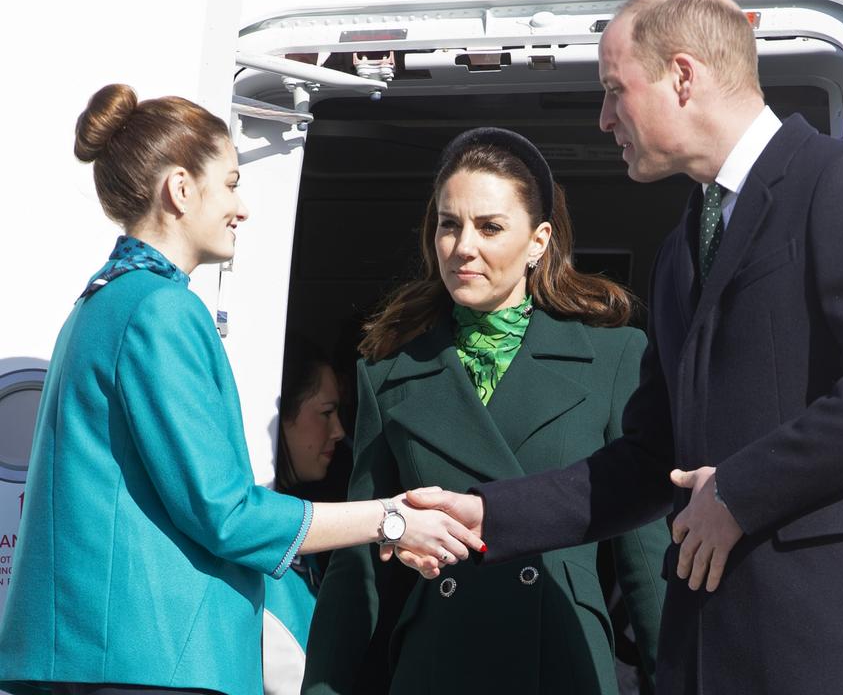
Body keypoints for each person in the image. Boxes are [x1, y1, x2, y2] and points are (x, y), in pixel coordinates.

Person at [401, 0, 843, 695]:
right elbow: (648, 459)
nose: (604, 115)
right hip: (720, 654)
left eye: (615, 90)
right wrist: (491, 512)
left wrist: (738, 490)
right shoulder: (679, 251)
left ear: (682, 75)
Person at [0, 84, 482, 695]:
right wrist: (389, 520)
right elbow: (224, 513)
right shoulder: (161, 309)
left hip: (104, 659)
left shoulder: (98, 305)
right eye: (229, 183)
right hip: (156, 665)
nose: (242, 207)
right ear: (180, 189)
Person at [301, 128, 668, 695]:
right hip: (437, 664)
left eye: (490, 227)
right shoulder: (389, 369)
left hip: (560, 662)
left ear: (538, 241)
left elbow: (646, 556)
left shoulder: (614, 357)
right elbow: (362, 570)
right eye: (449, 224)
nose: (462, 246)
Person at [263, 335, 352, 695]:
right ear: (282, 417)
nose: (339, 431)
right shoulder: (253, 527)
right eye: (326, 413)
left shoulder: (301, 513)